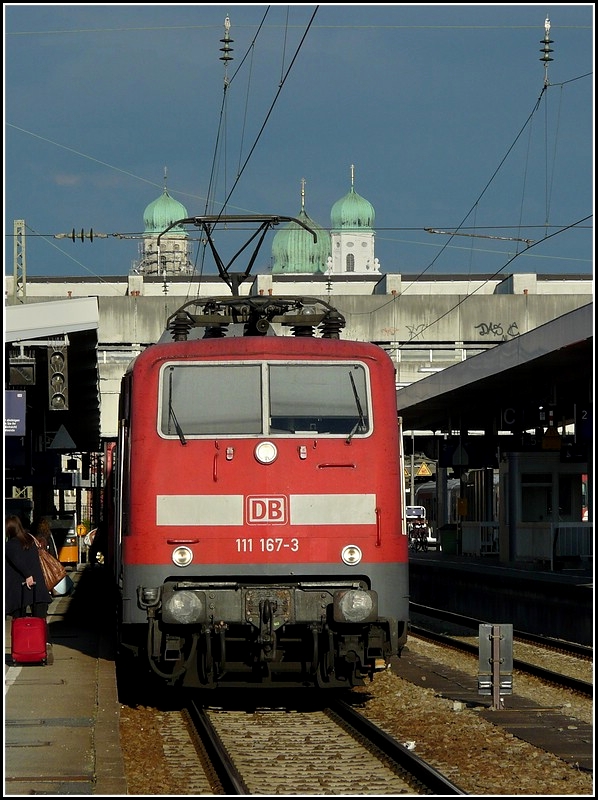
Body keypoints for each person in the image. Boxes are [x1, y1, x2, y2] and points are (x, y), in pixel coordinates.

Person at [5, 514, 53, 622]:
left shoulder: (10, 545)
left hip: (20, 590)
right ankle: (43, 639)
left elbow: (17, 561)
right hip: (38, 588)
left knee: (19, 623)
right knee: (40, 622)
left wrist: (28, 575)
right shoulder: (30, 540)